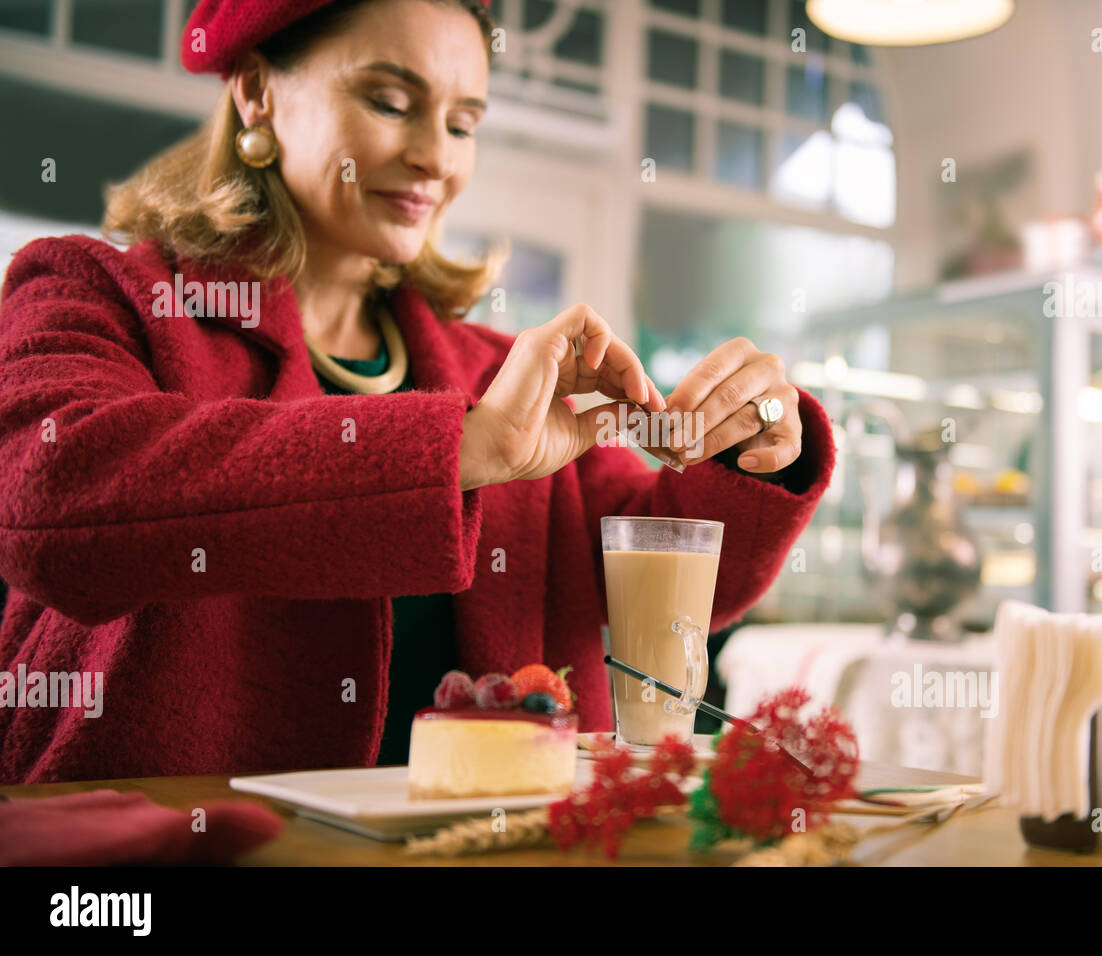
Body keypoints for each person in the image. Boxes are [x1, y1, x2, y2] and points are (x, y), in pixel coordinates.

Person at [0, 0, 834, 784]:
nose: (438, 157)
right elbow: (52, 500)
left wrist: (751, 452)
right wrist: (457, 450)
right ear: (256, 93)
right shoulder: (96, 292)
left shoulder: (492, 369)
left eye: (464, 122)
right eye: (392, 102)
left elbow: (657, 574)